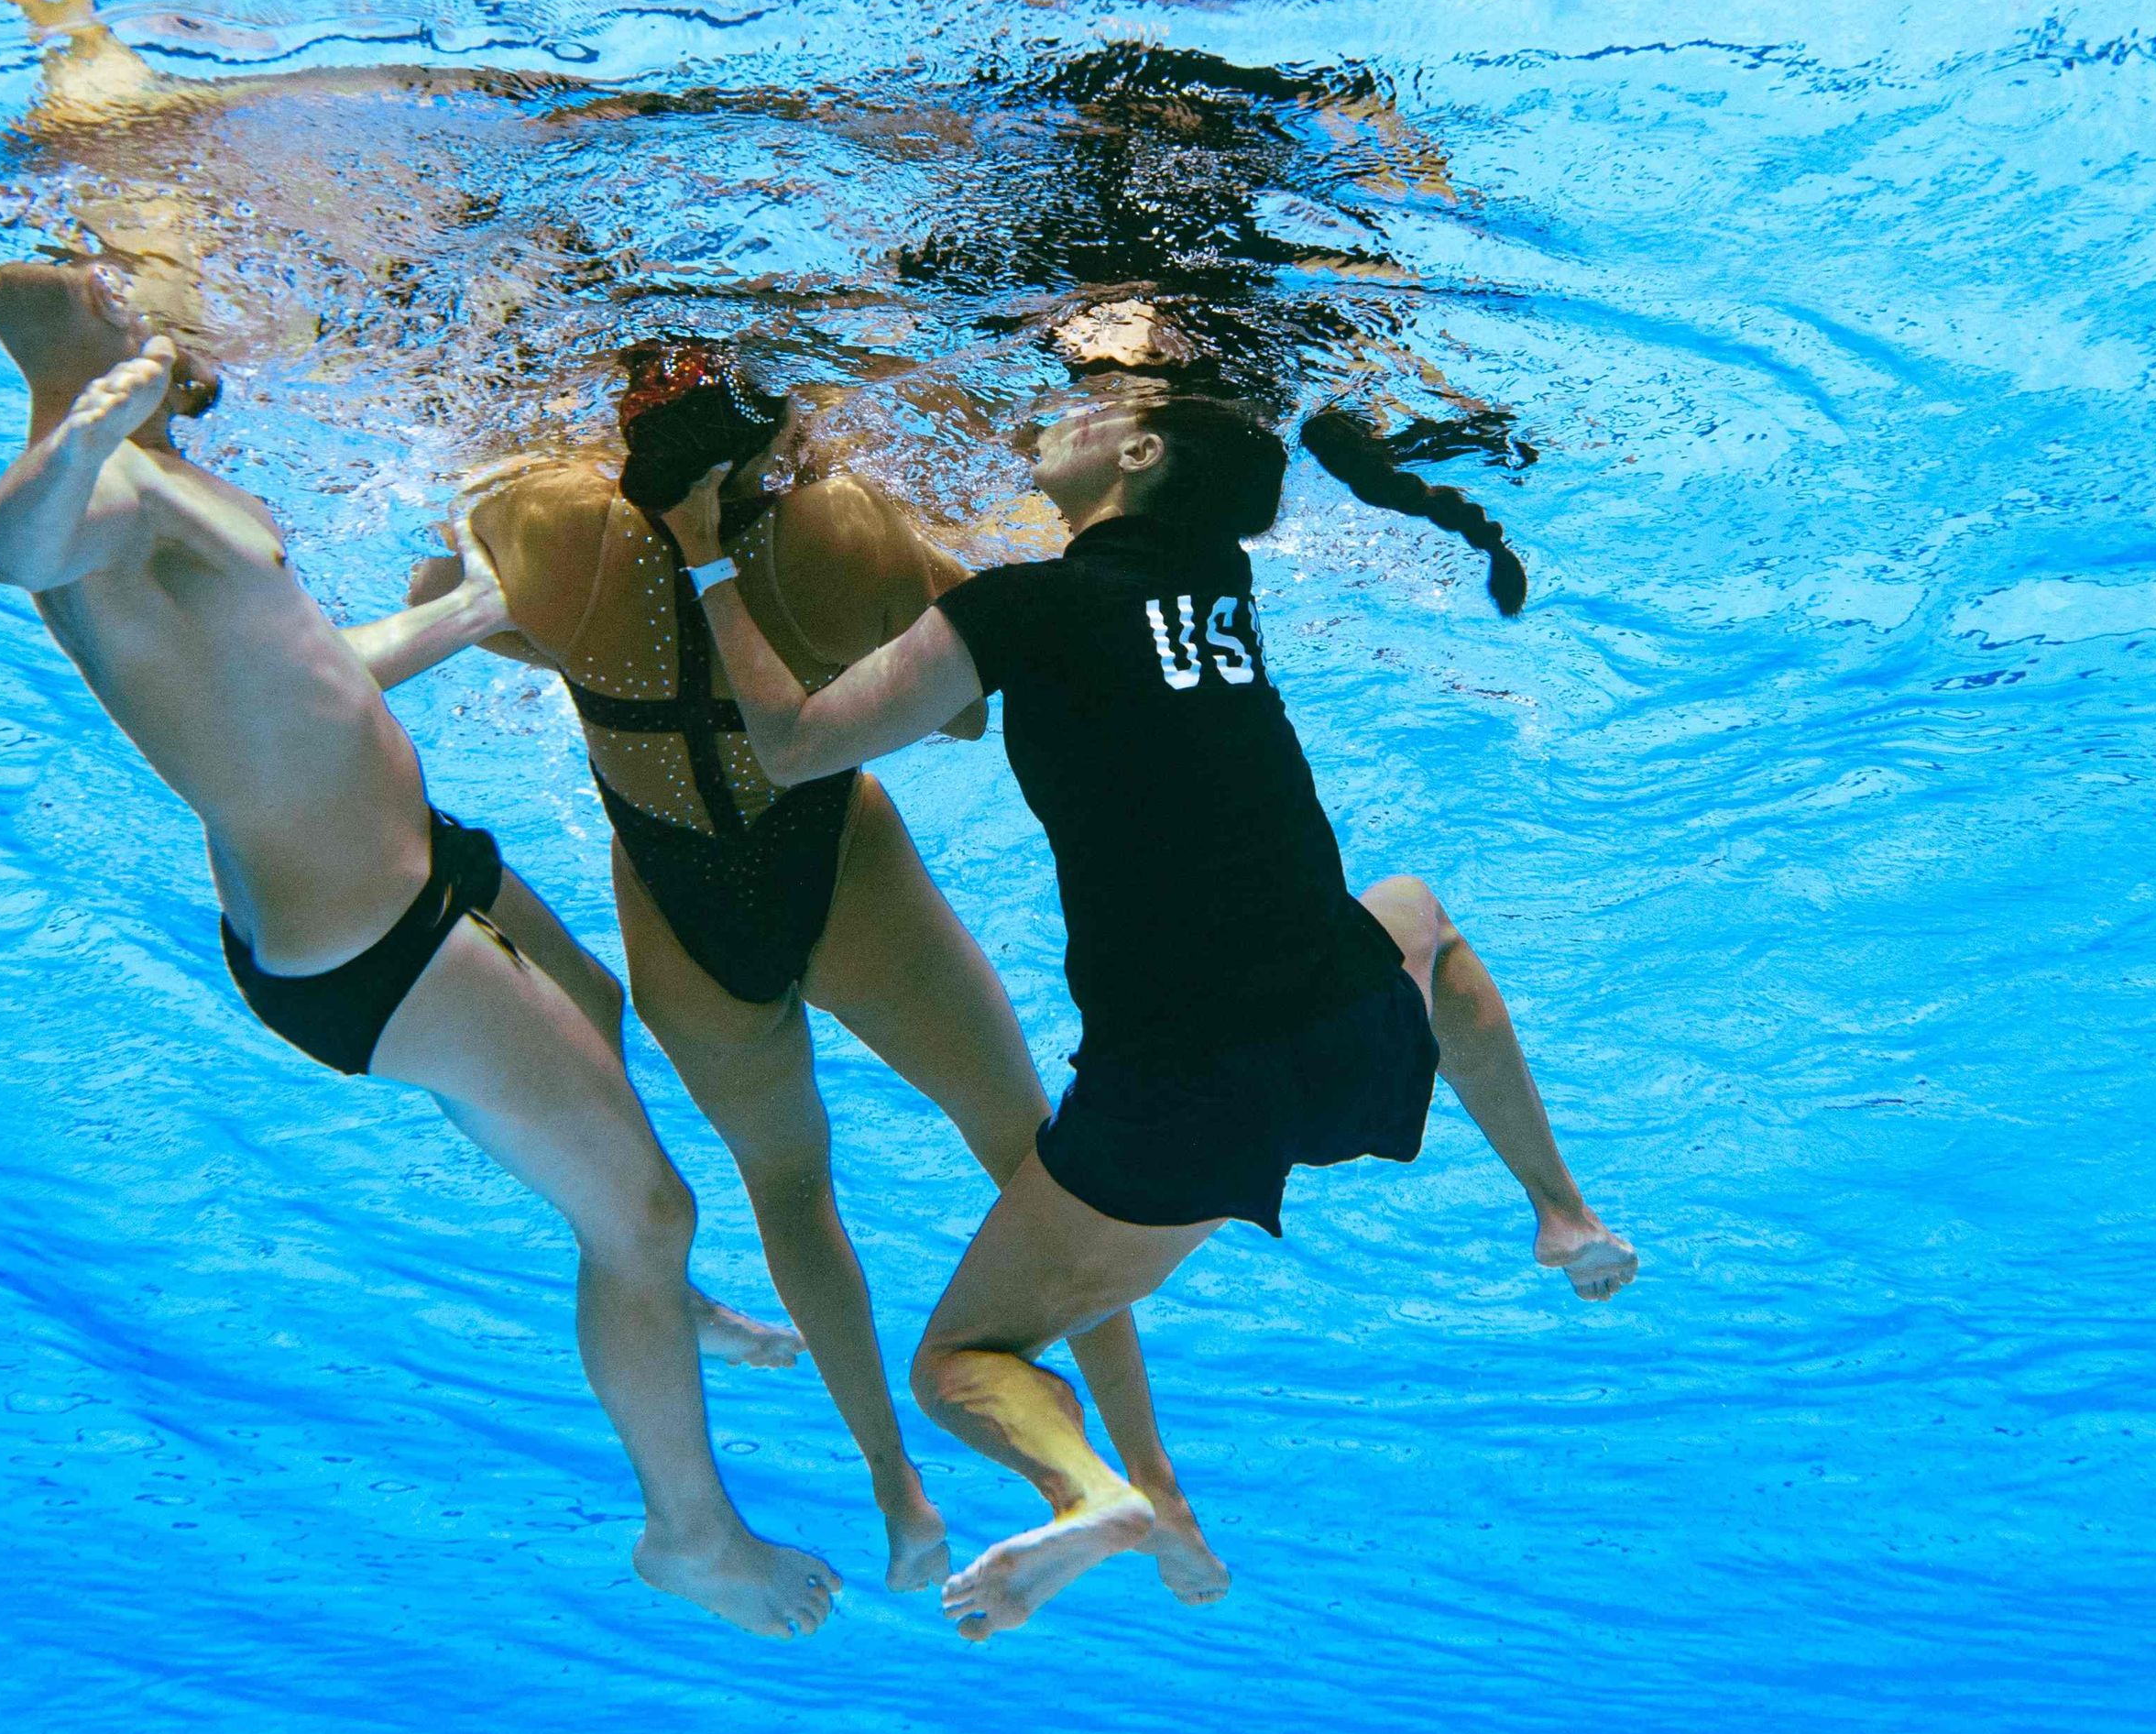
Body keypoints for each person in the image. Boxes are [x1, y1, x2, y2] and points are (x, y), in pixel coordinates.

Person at [656, 376, 1639, 1640]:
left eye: (1093, 401)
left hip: (1177, 1106)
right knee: (1418, 916)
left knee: (957, 1369)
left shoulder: (1026, 608)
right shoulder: (1223, 600)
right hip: (1338, 1030)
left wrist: (702, 562)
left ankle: (1091, 1494)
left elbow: (793, 743)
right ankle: (1561, 1214)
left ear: (1141, 448)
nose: (1057, 408)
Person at [0, 258, 839, 1639]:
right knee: (644, 1213)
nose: (143, 297)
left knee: (596, 1007)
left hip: (410, 867)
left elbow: (303, 672)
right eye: (113, 294)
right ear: (83, 339)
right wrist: (75, 421)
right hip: (372, 944)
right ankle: (689, 1534)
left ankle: (666, 1302)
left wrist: (470, 610)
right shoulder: (101, 491)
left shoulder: (160, 471)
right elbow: (16, 551)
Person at [427, 341, 1230, 1601]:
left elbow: (456, 605)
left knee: (790, 1194)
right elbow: (965, 707)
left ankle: (898, 1496)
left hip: (680, 902)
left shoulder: (551, 524)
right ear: (775, 439)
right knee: (1030, 1149)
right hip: (838, 864)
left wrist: (585, 649)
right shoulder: (836, 531)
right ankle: (1141, 1474)